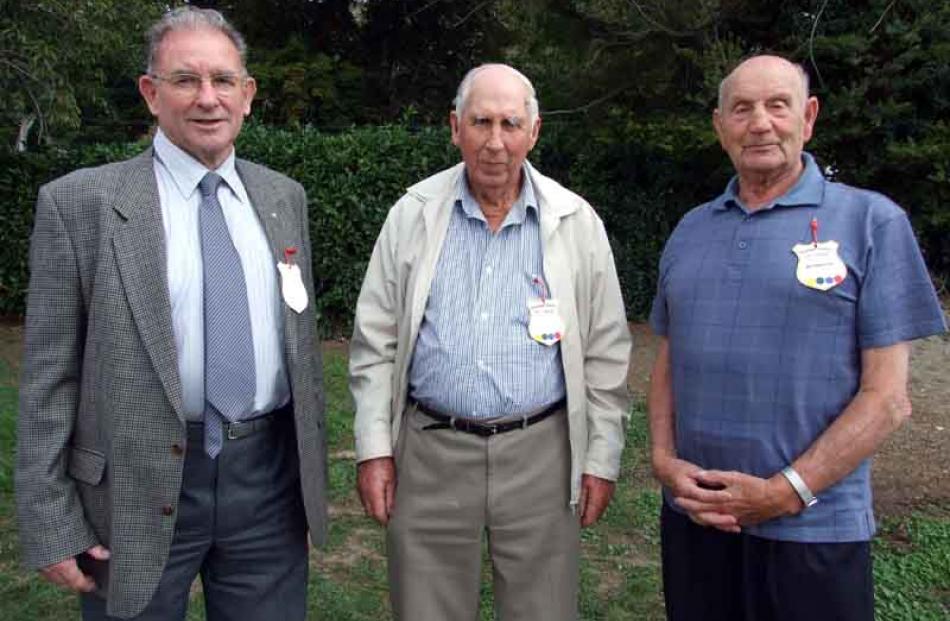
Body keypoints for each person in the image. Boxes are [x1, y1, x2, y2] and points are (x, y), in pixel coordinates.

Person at [15, 7, 328, 620]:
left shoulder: (282, 198)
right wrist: (50, 519)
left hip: (267, 486)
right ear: (151, 94)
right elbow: (49, 378)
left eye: (223, 80)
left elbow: (300, 342)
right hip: (132, 487)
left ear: (248, 95)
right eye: (185, 80)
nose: (207, 98)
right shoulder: (81, 204)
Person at [648, 54, 947, 621]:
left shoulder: (871, 222)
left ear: (808, 117)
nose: (759, 122)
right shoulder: (691, 229)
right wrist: (663, 459)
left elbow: (888, 399)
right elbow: (670, 358)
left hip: (814, 529)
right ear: (719, 127)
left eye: (776, 105)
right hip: (697, 519)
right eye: (741, 109)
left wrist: (784, 492)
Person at [349, 63, 631, 620]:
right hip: (430, 453)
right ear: (456, 128)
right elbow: (374, 342)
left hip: (542, 455)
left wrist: (601, 457)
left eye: (510, 123)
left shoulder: (576, 222)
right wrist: (374, 449)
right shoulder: (413, 214)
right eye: (481, 122)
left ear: (535, 131)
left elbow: (606, 352)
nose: (495, 141)